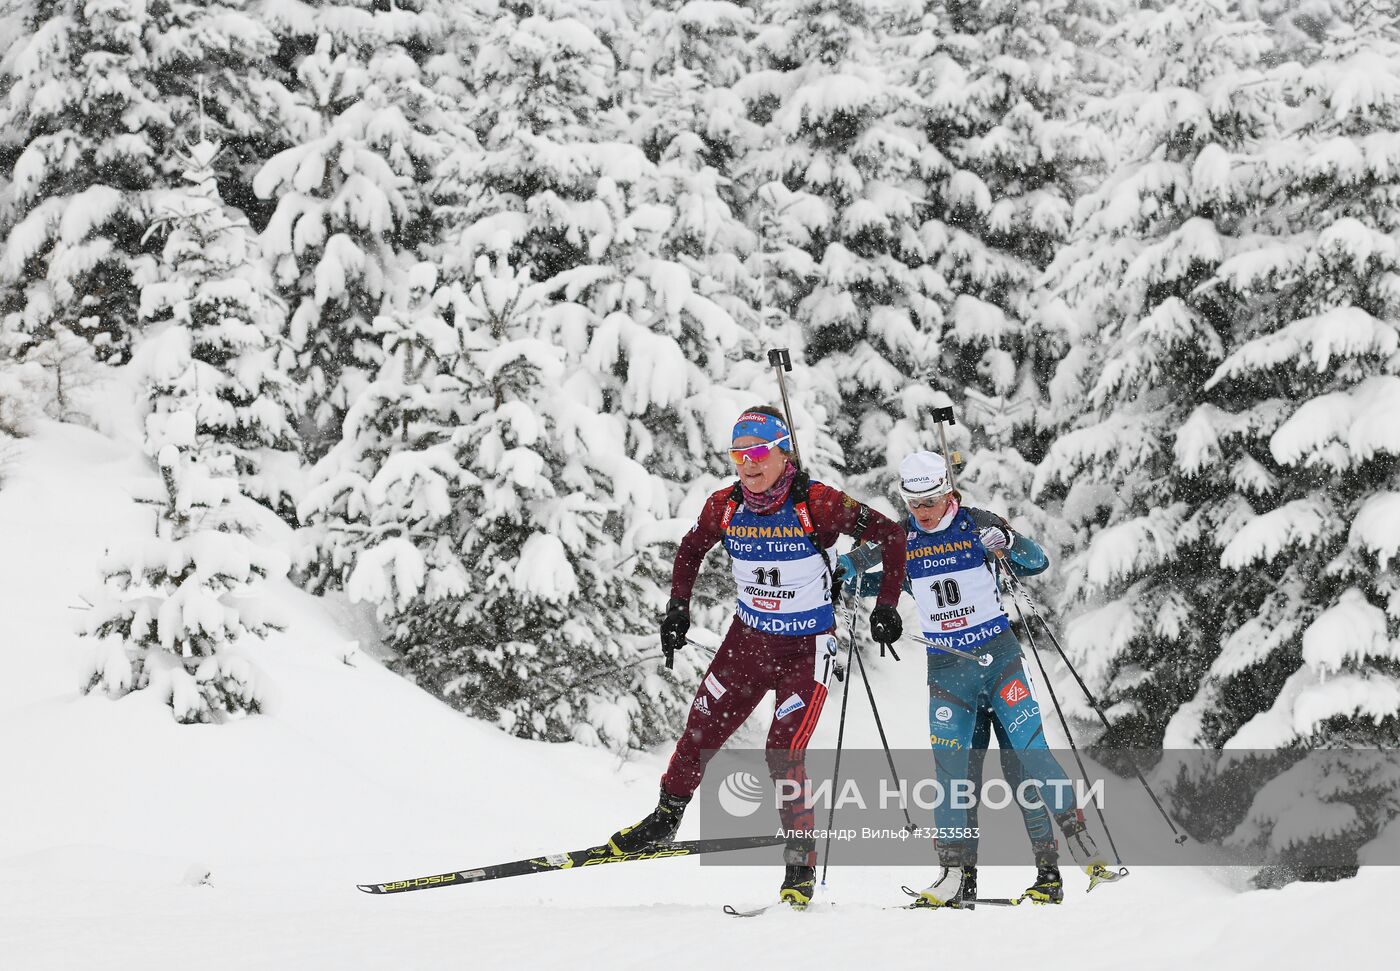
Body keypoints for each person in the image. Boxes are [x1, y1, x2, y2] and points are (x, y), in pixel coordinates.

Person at [607, 406, 909, 908]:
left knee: (781, 751)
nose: (747, 465)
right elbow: (691, 547)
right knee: (699, 731)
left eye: (758, 454)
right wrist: (677, 606)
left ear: (782, 452)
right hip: (746, 645)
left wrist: (887, 607)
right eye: (738, 454)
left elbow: (891, 535)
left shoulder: (820, 503)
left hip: (804, 651)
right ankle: (664, 818)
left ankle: (799, 865)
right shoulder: (725, 505)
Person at [838, 450, 1119, 908]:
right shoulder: (901, 538)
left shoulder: (976, 522)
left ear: (949, 491)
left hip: (999, 660)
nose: (923, 512)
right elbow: (862, 572)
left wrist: (1007, 541)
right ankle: (955, 876)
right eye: (914, 504)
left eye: (931, 501)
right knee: (953, 775)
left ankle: (1076, 851)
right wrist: (844, 571)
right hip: (949, 673)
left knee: (1029, 757)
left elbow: (1037, 562)